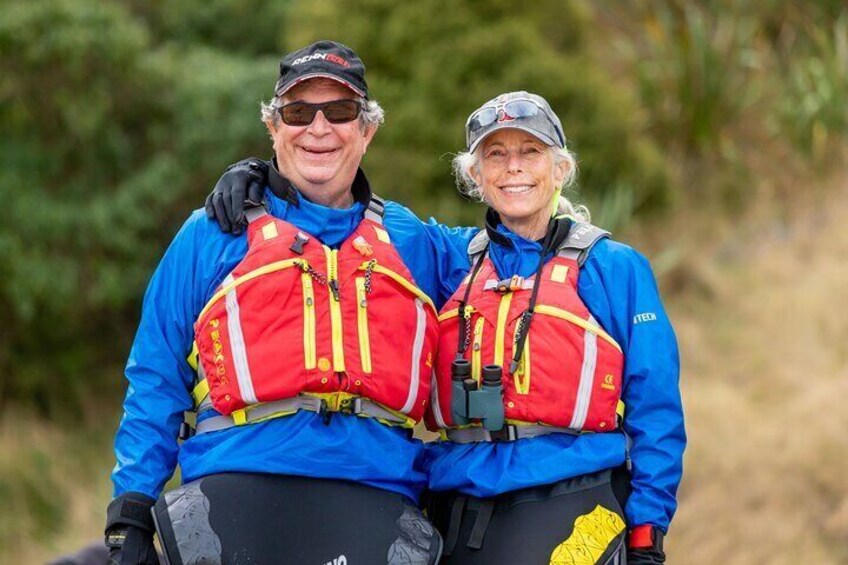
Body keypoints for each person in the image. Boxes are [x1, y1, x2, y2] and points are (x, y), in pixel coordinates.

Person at [211, 92, 685, 564]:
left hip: (572, 498)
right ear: (475, 177)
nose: (513, 167)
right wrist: (263, 176)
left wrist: (647, 530)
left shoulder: (613, 267)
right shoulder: (449, 258)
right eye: (495, 155)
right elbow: (337, 210)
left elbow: (656, 409)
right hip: (455, 509)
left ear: (561, 169)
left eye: (531, 152)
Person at [105, 40, 474, 564]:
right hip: (234, 495)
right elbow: (155, 376)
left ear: (367, 130)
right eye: (298, 112)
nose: (318, 128)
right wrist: (131, 507)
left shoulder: (410, 240)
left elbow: (514, 254)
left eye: (340, 111)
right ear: (273, 129)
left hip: (376, 500)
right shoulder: (213, 231)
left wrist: (569, 221)